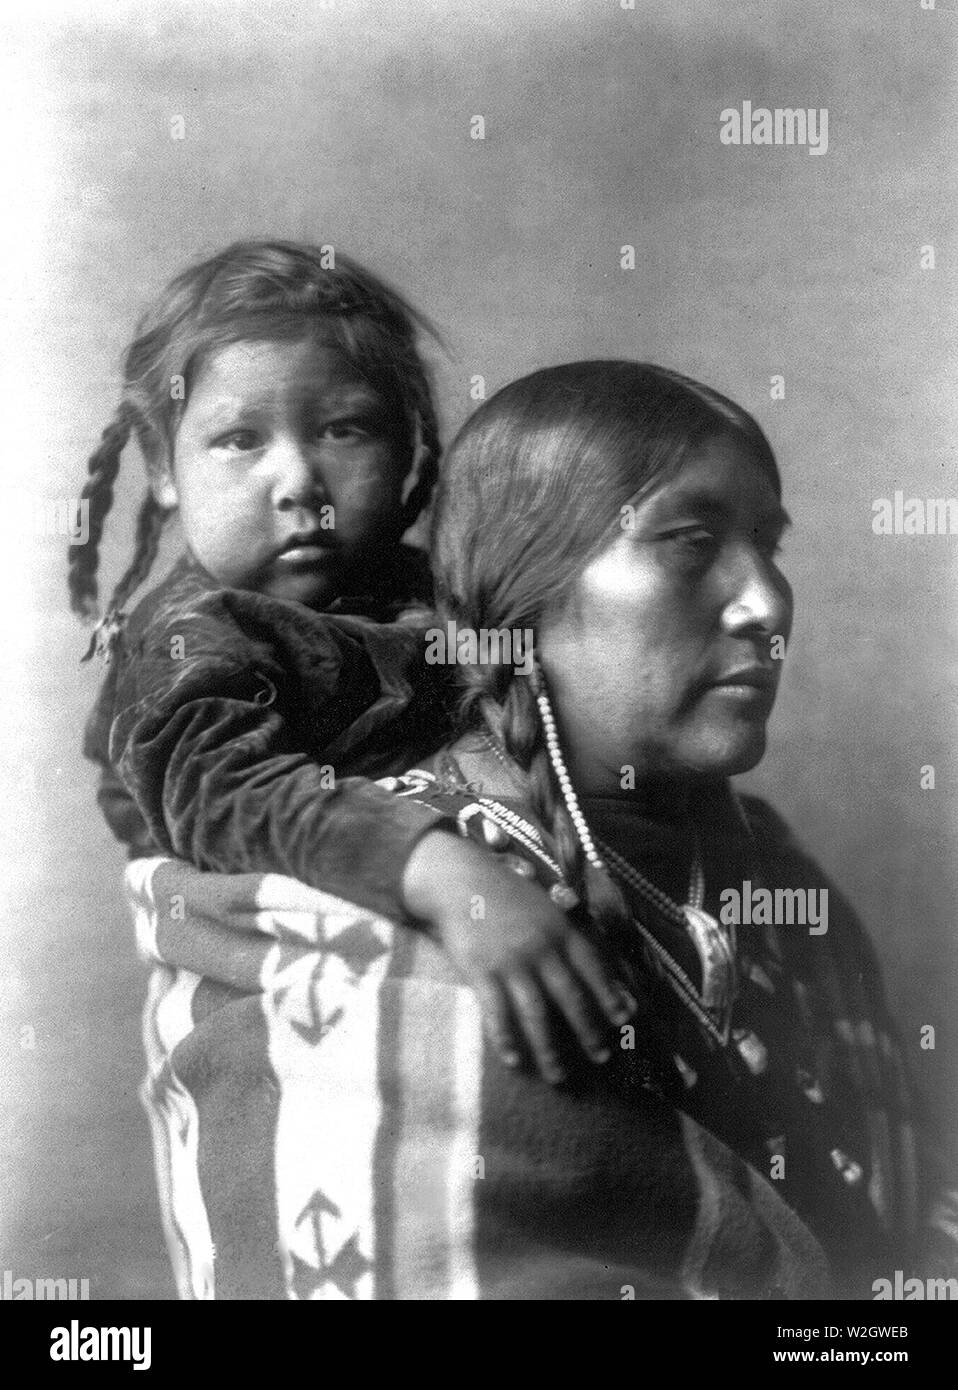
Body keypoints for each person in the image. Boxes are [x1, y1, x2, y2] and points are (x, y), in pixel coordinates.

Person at [127, 359, 958, 1298]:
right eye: (689, 542)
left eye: (768, 543)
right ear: (526, 592)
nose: (765, 604)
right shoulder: (392, 921)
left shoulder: (781, 887)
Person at [74, 241, 632, 1082]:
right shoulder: (190, 638)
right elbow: (230, 799)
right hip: (301, 1021)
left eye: (344, 429)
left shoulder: (423, 593)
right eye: (239, 440)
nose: (298, 479)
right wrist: (443, 872)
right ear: (162, 467)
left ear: (407, 444)